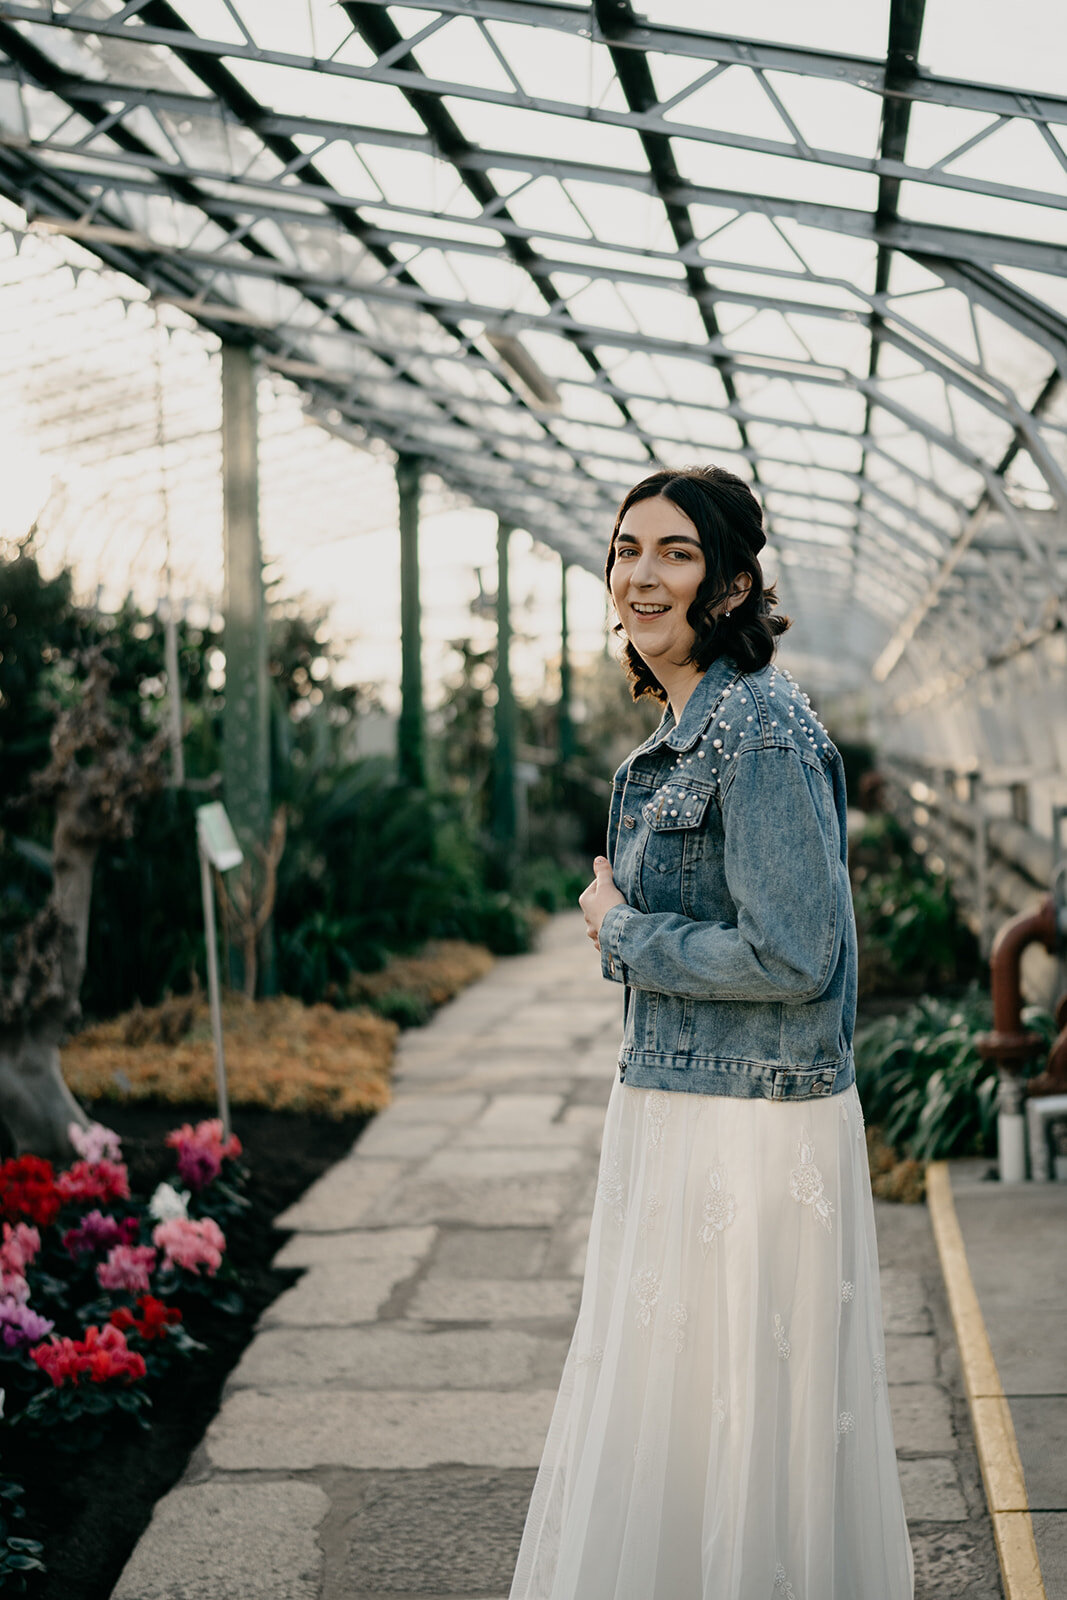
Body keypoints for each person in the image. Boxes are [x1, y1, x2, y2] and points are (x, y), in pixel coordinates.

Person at [507, 466, 914, 1600]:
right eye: (626, 548)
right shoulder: (685, 728)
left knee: (738, 1420)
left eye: (674, 552)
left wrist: (621, 930)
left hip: (751, 1131)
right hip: (686, 1109)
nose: (640, 574)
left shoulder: (759, 728)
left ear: (732, 582)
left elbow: (797, 957)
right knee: (680, 1415)